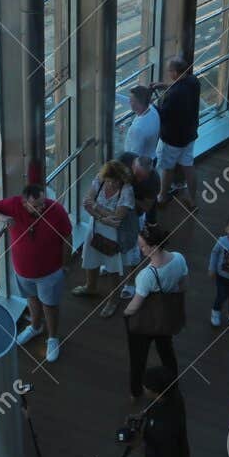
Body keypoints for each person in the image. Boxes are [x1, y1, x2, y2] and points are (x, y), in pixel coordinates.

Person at [0, 183, 72, 363]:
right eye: (36, 205)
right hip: (23, 270)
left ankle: (53, 337)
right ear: (24, 203)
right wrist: (2, 217)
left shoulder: (57, 210)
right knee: (31, 298)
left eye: (42, 202)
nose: (42, 207)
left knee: (50, 304)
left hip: (50, 271)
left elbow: (67, 237)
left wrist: (65, 265)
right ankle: (35, 326)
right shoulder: (13, 205)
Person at [123, 223, 188, 402]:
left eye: (142, 246)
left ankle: (136, 391)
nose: (140, 249)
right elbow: (182, 285)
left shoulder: (146, 275)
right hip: (165, 318)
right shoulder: (179, 259)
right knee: (166, 351)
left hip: (144, 322)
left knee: (138, 358)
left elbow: (135, 305)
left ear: (153, 247)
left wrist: (126, 313)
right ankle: (172, 383)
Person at [74, 159, 134, 318]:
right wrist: (102, 218)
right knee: (90, 258)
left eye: (117, 181)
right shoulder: (99, 180)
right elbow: (86, 203)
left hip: (113, 235)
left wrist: (96, 207)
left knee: (113, 267)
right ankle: (90, 286)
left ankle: (114, 299)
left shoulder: (127, 190)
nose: (113, 184)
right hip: (95, 227)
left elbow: (118, 217)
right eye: (110, 180)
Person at [138, 365, 190, 457]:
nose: (143, 388)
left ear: (158, 393)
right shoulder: (172, 396)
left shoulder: (166, 423)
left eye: (146, 387)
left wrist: (139, 441)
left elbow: (163, 448)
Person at [154, 56, 200, 211]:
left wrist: (150, 105)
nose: (168, 73)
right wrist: (164, 85)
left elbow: (162, 115)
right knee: (188, 166)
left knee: (167, 168)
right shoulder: (194, 81)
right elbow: (181, 85)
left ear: (174, 72)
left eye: (169, 71)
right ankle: (192, 200)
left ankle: (162, 197)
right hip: (189, 134)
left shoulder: (173, 95)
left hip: (172, 139)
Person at [115, 152, 157, 300]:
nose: (138, 179)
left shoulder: (153, 180)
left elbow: (146, 207)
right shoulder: (122, 159)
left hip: (135, 213)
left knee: (133, 249)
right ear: (132, 165)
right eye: (137, 175)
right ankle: (109, 265)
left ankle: (130, 283)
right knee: (113, 240)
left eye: (142, 177)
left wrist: (129, 196)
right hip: (116, 206)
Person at [123, 85, 160, 166]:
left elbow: (135, 155)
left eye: (131, 100)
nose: (129, 102)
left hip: (141, 166)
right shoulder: (153, 110)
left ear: (138, 103)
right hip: (152, 158)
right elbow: (128, 102)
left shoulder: (138, 129)